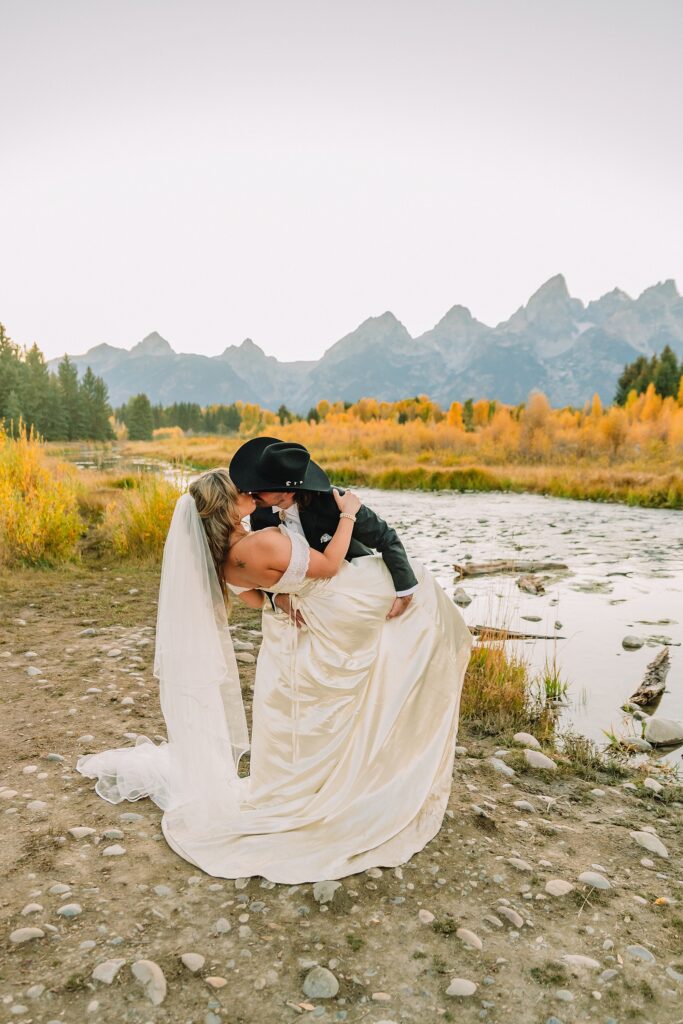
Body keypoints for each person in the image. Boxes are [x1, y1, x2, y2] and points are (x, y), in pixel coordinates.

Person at [77, 454, 472, 884]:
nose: (249, 492)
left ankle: (309, 782)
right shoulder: (262, 541)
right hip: (330, 609)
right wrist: (349, 516)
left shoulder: (220, 555)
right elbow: (328, 567)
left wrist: (278, 596)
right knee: (370, 680)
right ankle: (354, 778)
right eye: (240, 492)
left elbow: (252, 595)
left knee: (299, 712)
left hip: (289, 631)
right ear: (227, 508)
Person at [229, 436, 418, 623]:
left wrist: (405, 590)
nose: (252, 491)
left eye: (262, 487)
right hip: (307, 607)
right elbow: (262, 565)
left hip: (355, 590)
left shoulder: (334, 501)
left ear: (287, 491)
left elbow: (385, 536)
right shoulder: (259, 511)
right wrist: (276, 597)